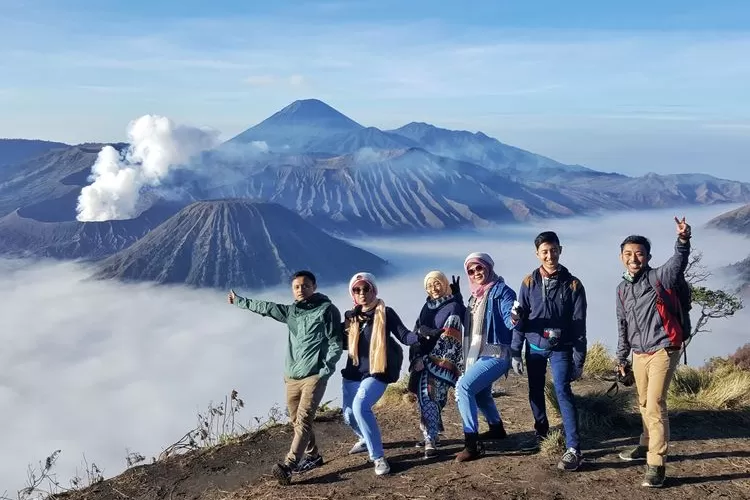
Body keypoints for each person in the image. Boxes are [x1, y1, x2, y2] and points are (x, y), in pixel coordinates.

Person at [227, 271, 343, 486]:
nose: (301, 289)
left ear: (314, 286)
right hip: (291, 376)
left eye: (305, 285)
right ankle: (313, 456)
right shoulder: (291, 312)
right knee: (296, 421)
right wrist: (239, 301)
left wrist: (325, 370)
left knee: (304, 419)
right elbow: (266, 308)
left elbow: (336, 342)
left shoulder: (327, 310)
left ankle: (289, 465)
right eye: (297, 286)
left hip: (314, 375)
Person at [615, 216, 692, 488]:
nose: (633, 258)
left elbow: (677, 262)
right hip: (638, 353)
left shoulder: (660, 277)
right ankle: (645, 443)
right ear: (621, 257)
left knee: (656, 404)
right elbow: (622, 325)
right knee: (644, 403)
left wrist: (683, 240)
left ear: (647, 256)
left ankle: (656, 464)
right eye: (628, 254)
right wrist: (621, 358)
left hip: (663, 348)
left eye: (639, 253)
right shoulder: (622, 289)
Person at [510, 231, 587, 471]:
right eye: (545, 251)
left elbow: (578, 324)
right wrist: (515, 350)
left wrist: (579, 359)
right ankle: (541, 433)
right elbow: (520, 319)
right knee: (534, 389)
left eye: (553, 250)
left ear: (560, 250)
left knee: (563, 391)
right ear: (537, 254)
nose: (550, 255)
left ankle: (574, 448)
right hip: (534, 346)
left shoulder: (573, 284)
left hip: (561, 348)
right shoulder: (528, 282)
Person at [340, 272, 425, 476]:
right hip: (353, 371)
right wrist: (343, 326)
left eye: (366, 288)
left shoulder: (386, 313)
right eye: (356, 289)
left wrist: (424, 336)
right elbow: (343, 344)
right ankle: (364, 437)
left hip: (377, 372)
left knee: (360, 407)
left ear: (374, 290)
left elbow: (405, 336)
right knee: (349, 415)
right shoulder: (352, 316)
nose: (362, 293)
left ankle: (378, 457)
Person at [454, 252, 518, 462]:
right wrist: (458, 301)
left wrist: (516, 319)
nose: (476, 273)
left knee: (464, 387)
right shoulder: (476, 297)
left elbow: (510, 319)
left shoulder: (501, 291)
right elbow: (473, 327)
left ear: (488, 267)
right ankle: (496, 427)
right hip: (481, 353)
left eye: (479, 268)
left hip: (497, 353)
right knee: (480, 393)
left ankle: (472, 445)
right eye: (471, 271)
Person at [407, 271, 465, 459]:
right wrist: (416, 358)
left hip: (439, 361)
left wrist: (458, 296)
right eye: (429, 285)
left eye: (438, 283)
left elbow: (453, 332)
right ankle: (430, 437)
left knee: (434, 399)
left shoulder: (453, 306)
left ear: (446, 284)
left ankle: (431, 437)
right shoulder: (426, 307)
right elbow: (417, 332)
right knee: (426, 398)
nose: (434, 288)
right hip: (423, 360)